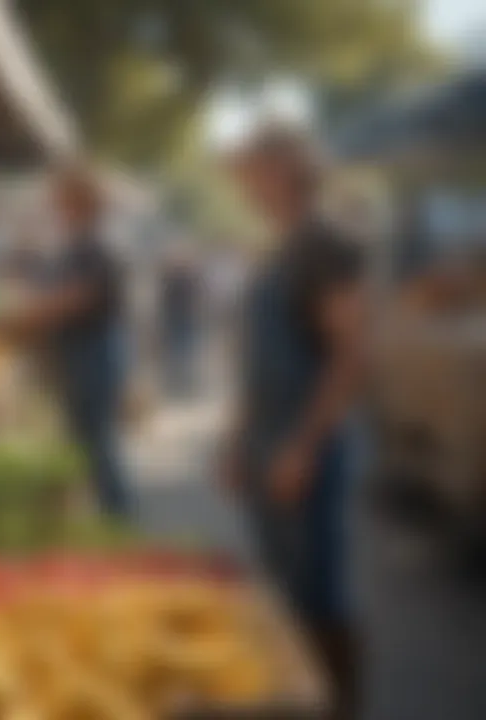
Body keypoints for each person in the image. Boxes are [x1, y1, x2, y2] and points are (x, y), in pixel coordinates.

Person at [220, 125, 365, 717]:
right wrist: (235, 441)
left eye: (251, 168)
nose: (242, 182)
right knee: (281, 592)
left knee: (316, 598)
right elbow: (254, 362)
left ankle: (336, 705)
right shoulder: (276, 244)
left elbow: (351, 355)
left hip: (305, 442)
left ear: (284, 169)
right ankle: (296, 704)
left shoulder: (326, 243)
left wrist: (303, 448)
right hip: (264, 440)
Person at [1, 164, 131, 518]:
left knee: (96, 448)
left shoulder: (98, 246)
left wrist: (17, 319)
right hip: (79, 354)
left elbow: (74, 300)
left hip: (92, 355)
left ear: (80, 201)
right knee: (84, 444)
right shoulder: (78, 244)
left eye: (60, 198)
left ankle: (119, 521)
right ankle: (108, 517)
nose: (54, 204)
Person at [159, 246, 201, 397]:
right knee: (178, 352)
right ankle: (178, 383)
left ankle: (183, 383)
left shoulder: (184, 278)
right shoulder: (172, 279)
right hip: (176, 320)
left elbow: (195, 299)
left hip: (183, 320)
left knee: (183, 352)